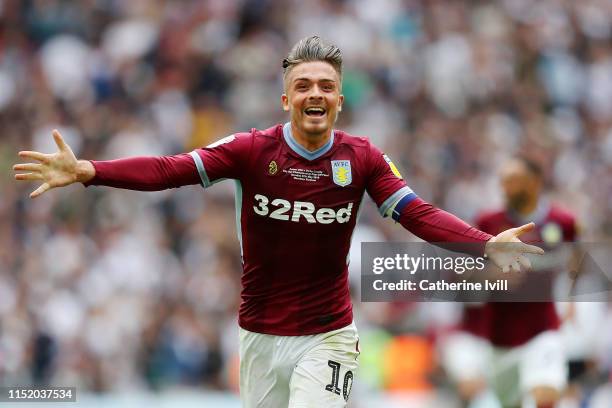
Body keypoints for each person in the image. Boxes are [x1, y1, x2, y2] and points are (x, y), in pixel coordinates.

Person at [13, 36, 543, 408]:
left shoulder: (363, 159)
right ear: (286, 97)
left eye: (327, 86)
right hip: (258, 335)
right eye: (305, 85)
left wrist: (482, 245)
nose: (316, 94)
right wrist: (89, 171)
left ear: (340, 98)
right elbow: (169, 170)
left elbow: (416, 213)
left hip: (328, 334)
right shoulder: (249, 150)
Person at [442, 156, 578, 408]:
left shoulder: (563, 223)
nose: (506, 187)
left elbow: (576, 261)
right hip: (500, 337)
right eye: (504, 181)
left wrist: (571, 298)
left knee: (544, 397)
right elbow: (460, 273)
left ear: (535, 182)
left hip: (543, 329)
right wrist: (490, 275)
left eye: (514, 180)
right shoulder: (488, 222)